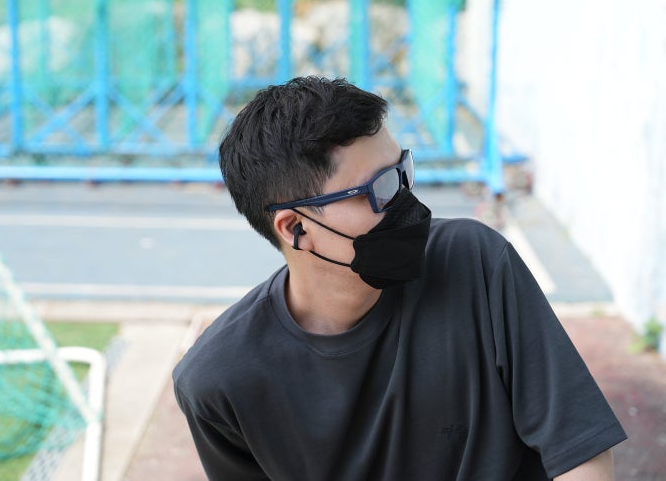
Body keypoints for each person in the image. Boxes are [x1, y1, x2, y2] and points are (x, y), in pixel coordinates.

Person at [172, 76, 626, 480]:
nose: (406, 201)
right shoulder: (220, 381)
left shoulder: (476, 263)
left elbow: (580, 450)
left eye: (402, 172)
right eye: (379, 190)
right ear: (296, 229)